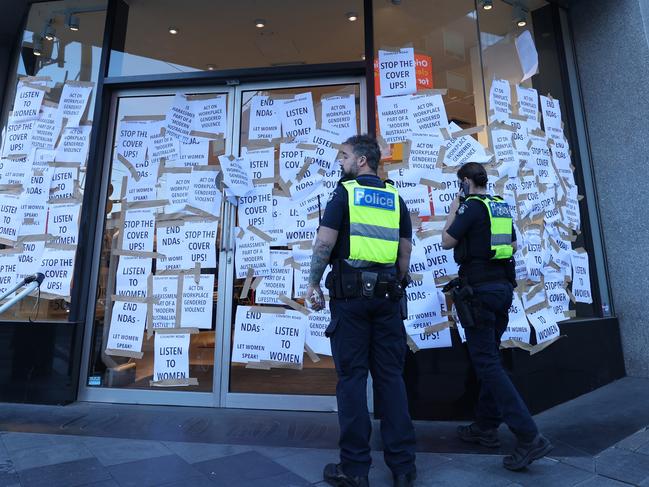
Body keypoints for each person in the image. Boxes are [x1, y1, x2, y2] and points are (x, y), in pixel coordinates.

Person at [305, 135, 417, 487]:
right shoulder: (394, 198)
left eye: (344, 156)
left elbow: (325, 242)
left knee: (352, 381)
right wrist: (392, 284)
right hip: (386, 300)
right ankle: (403, 468)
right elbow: (404, 254)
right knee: (390, 380)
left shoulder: (345, 193)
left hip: (351, 301)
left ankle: (354, 470)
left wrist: (313, 282)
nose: (340, 162)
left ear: (362, 162)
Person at [441, 162, 553, 471]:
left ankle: (529, 436)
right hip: (502, 289)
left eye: (459, 184)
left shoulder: (471, 206)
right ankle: (486, 426)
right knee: (490, 358)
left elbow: (446, 241)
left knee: (487, 363)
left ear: (465, 182)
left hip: (479, 290)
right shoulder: (499, 206)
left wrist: (455, 206)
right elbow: (514, 244)